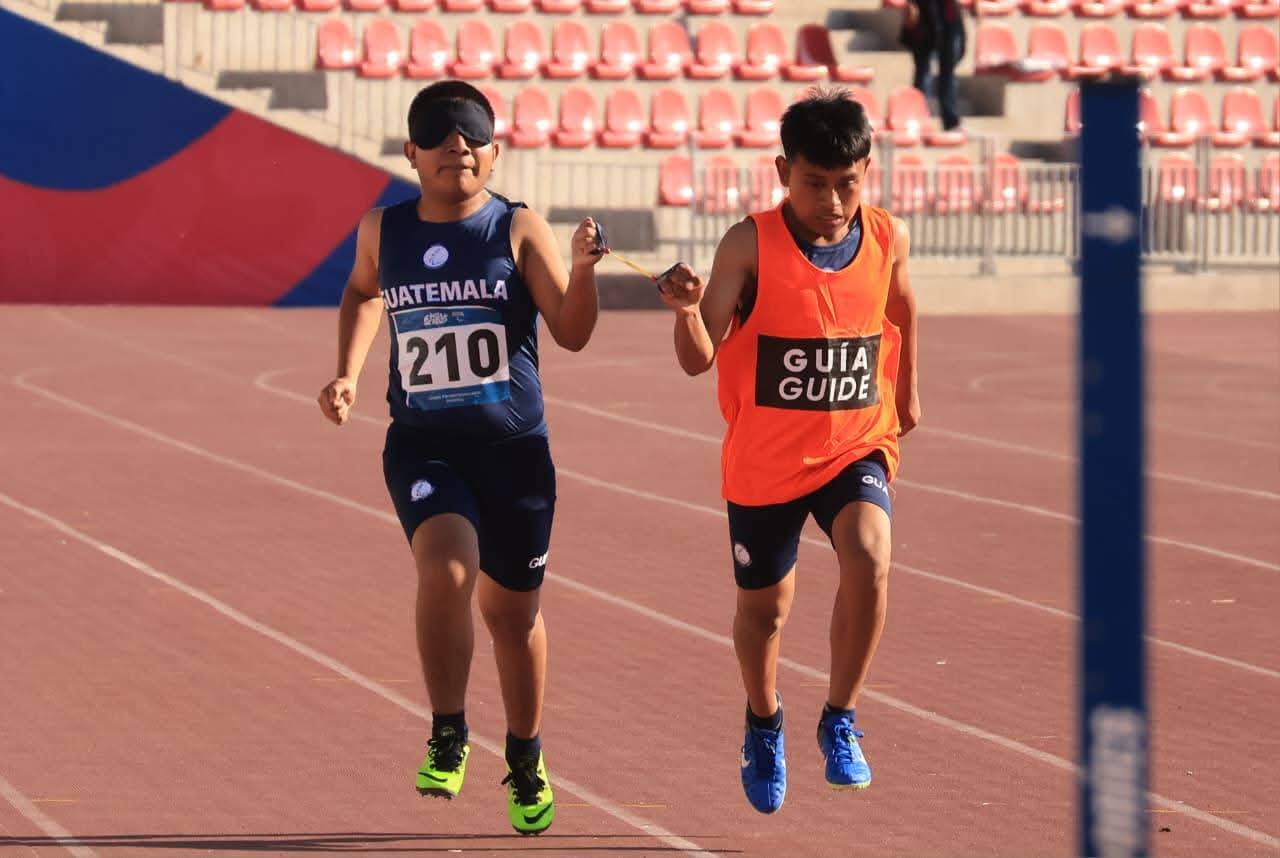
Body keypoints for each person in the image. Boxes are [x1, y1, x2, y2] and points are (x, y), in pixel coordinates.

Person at [317, 79, 602, 835]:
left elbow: (570, 332)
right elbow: (361, 293)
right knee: (445, 568)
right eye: (440, 135)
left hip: (514, 457)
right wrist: (347, 373)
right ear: (410, 153)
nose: (458, 146)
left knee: (513, 617)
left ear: (496, 152)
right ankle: (448, 731)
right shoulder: (384, 229)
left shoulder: (517, 228)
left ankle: (526, 753)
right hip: (425, 445)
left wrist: (585, 269)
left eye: (472, 135)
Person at [655, 89, 920, 814]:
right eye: (815, 183)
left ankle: (840, 717)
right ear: (783, 170)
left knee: (871, 555)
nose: (833, 202)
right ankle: (764, 719)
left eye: (848, 184)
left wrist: (908, 392)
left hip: (854, 442)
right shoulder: (748, 243)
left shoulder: (888, 236)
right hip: (766, 460)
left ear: (867, 171)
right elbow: (697, 357)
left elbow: (899, 305)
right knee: (765, 611)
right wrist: (685, 313)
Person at [901, 0, 971, 132]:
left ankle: (951, 121)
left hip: (948, 16)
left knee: (948, 72)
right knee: (923, 70)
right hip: (925, 14)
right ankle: (918, 118)